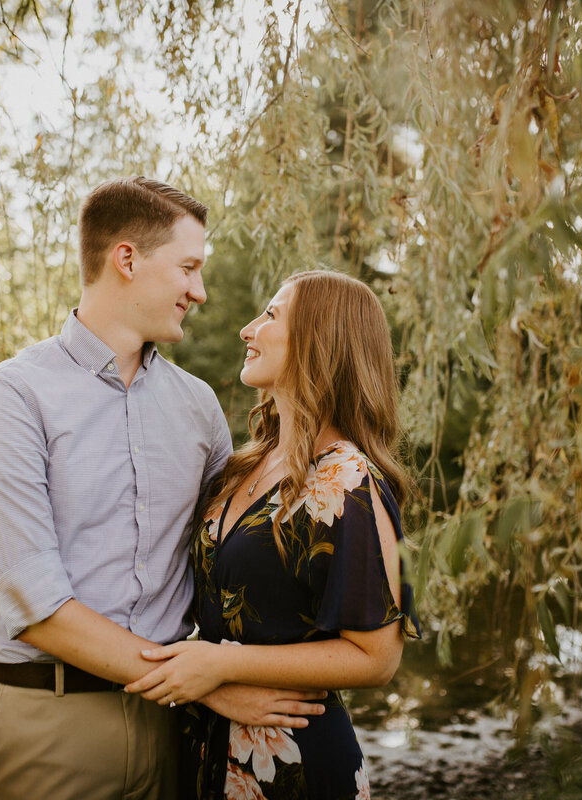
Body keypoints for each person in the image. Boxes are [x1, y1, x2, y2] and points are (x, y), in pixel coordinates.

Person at [0, 177, 327, 800]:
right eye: (188, 268)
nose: (199, 292)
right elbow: (37, 607)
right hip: (54, 723)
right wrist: (219, 685)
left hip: (181, 724)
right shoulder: (11, 398)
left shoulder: (198, 406)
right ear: (126, 259)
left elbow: (228, 554)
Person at [125, 269, 422, 799]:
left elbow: (378, 657)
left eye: (270, 315)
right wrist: (210, 679)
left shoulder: (348, 482)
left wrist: (223, 664)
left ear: (320, 340)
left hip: (293, 764)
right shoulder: (241, 467)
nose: (247, 328)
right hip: (202, 744)